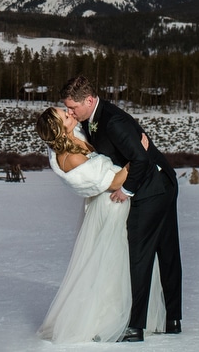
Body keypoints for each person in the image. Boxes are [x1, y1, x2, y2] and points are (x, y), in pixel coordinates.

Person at [60, 74, 183, 342]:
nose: (69, 111)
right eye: (67, 108)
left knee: (143, 253)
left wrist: (125, 191)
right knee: (165, 250)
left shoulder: (112, 120)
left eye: (73, 107)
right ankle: (172, 319)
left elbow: (140, 160)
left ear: (89, 100)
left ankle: (135, 326)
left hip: (152, 189)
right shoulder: (94, 119)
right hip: (161, 184)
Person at [34, 106, 165, 344]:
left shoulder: (77, 137)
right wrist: (138, 154)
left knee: (120, 259)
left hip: (113, 203)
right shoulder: (70, 157)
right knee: (113, 262)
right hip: (110, 205)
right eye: (65, 115)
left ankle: (132, 313)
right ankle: (108, 318)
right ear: (60, 130)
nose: (70, 113)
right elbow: (114, 182)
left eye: (67, 109)